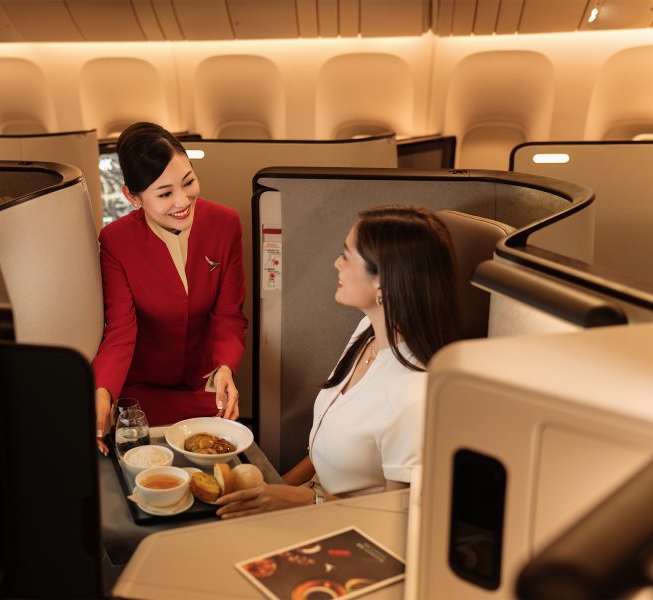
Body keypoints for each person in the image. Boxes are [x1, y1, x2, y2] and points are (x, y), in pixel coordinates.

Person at [217, 205, 458, 518]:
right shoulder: (368, 332)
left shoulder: (413, 397)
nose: (336, 263)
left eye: (346, 255)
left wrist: (302, 503)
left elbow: (395, 522)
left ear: (382, 282)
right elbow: (325, 450)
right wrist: (269, 492)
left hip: (346, 531)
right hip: (312, 505)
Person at [92, 122, 247, 454]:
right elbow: (120, 329)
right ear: (132, 197)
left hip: (204, 385)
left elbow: (229, 315)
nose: (183, 200)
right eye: (164, 193)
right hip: (143, 391)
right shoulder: (116, 241)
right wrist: (102, 392)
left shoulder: (225, 224)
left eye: (188, 181)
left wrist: (225, 367)